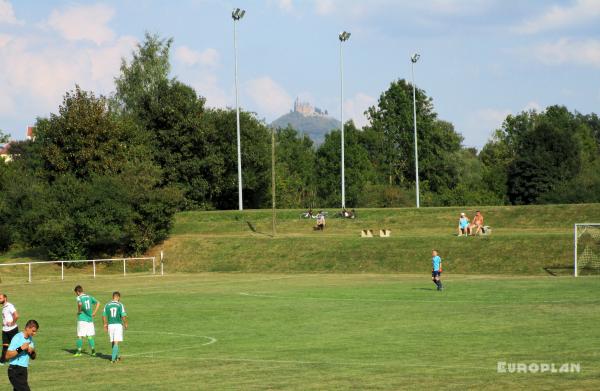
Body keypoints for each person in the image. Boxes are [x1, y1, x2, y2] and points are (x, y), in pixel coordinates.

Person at [6, 319, 39, 391]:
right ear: (27, 328)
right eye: (33, 331)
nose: (34, 333)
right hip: (14, 370)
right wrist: (20, 348)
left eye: (35, 331)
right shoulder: (17, 337)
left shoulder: (30, 339)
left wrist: (32, 351)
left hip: (23, 370)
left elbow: (33, 357)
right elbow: (7, 355)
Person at [73, 285, 99, 357]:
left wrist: (79, 311)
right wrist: (94, 312)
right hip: (90, 320)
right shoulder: (89, 297)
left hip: (82, 319)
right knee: (90, 336)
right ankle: (93, 351)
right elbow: (98, 303)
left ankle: (79, 351)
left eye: (76, 293)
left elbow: (80, 304)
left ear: (78, 292)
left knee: (80, 336)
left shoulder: (79, 297)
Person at [102, 292, 128, 363]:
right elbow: (123, 315)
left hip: (110, 325)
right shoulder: (120, 305)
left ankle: (116, 357)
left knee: (113, 342)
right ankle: (113, 359)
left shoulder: (107, 305)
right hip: (118, 325)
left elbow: (103, 315)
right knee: (116, 342)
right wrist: (125, 323)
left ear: (113, 297)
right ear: (118, 297)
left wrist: (105, 324)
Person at [0, 294, 19, 366]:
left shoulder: (9, 306)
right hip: (5, 330)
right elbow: (7, 317)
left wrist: (12, 323)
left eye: (0, 298)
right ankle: (2, 361)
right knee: (5, 345)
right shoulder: (4, 307)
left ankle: (20, 358)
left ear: (5, 298)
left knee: (17, 345)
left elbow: (16, 315)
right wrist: (4, 323)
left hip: (12, 330)